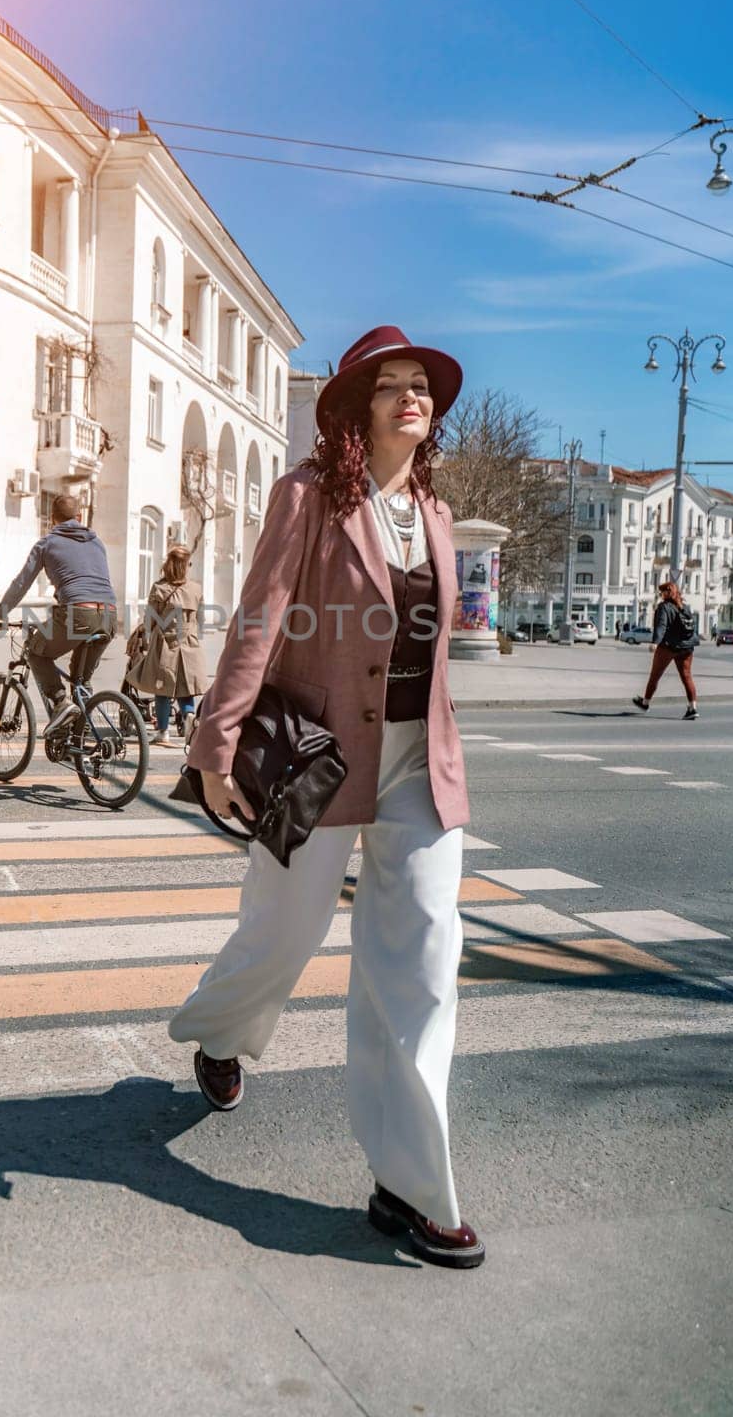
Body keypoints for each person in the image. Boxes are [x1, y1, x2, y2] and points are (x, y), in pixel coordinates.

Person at [167, 324, 485, 1270]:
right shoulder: (308, 495)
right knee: (281, 936)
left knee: (423, 960)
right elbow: (262, 614)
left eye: (421, 385)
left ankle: (411, 1187)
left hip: (416, 763)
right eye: (388, 384)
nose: (410, 396)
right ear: (352, 407)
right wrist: (216, 741)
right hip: (317, 760)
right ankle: (220, 1032)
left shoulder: (432, 507)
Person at [0, 493, 117, 734]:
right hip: (110, 615)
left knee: (36, 652)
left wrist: (0, 614)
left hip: (77, 614)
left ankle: (59, 702)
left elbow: (21, 583)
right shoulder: (97, 542)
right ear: (79, 517)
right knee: (80, 679)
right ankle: (82, 732)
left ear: (52, 520)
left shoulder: (47, 543)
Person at [129, 542, 206, 749]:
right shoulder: (196, 589)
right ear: (185, 566)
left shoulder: (160, 588)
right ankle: (189, 715)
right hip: (189, 643)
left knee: (162, 689)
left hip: (165, 644)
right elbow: (201, 619)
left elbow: (149, 621)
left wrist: (143, 642)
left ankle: (163, 732)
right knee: (185, 688)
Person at [632, 580, 699, 719]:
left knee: (655, 675)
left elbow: (661, 626)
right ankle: (693, 708)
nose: (660, 594)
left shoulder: (664, 607)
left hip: (668, 646)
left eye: (661, 592)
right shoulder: (685, 607)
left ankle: (645, 703)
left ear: (667, 593)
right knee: (687, 677)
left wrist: (655, 642)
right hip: (687, 647)